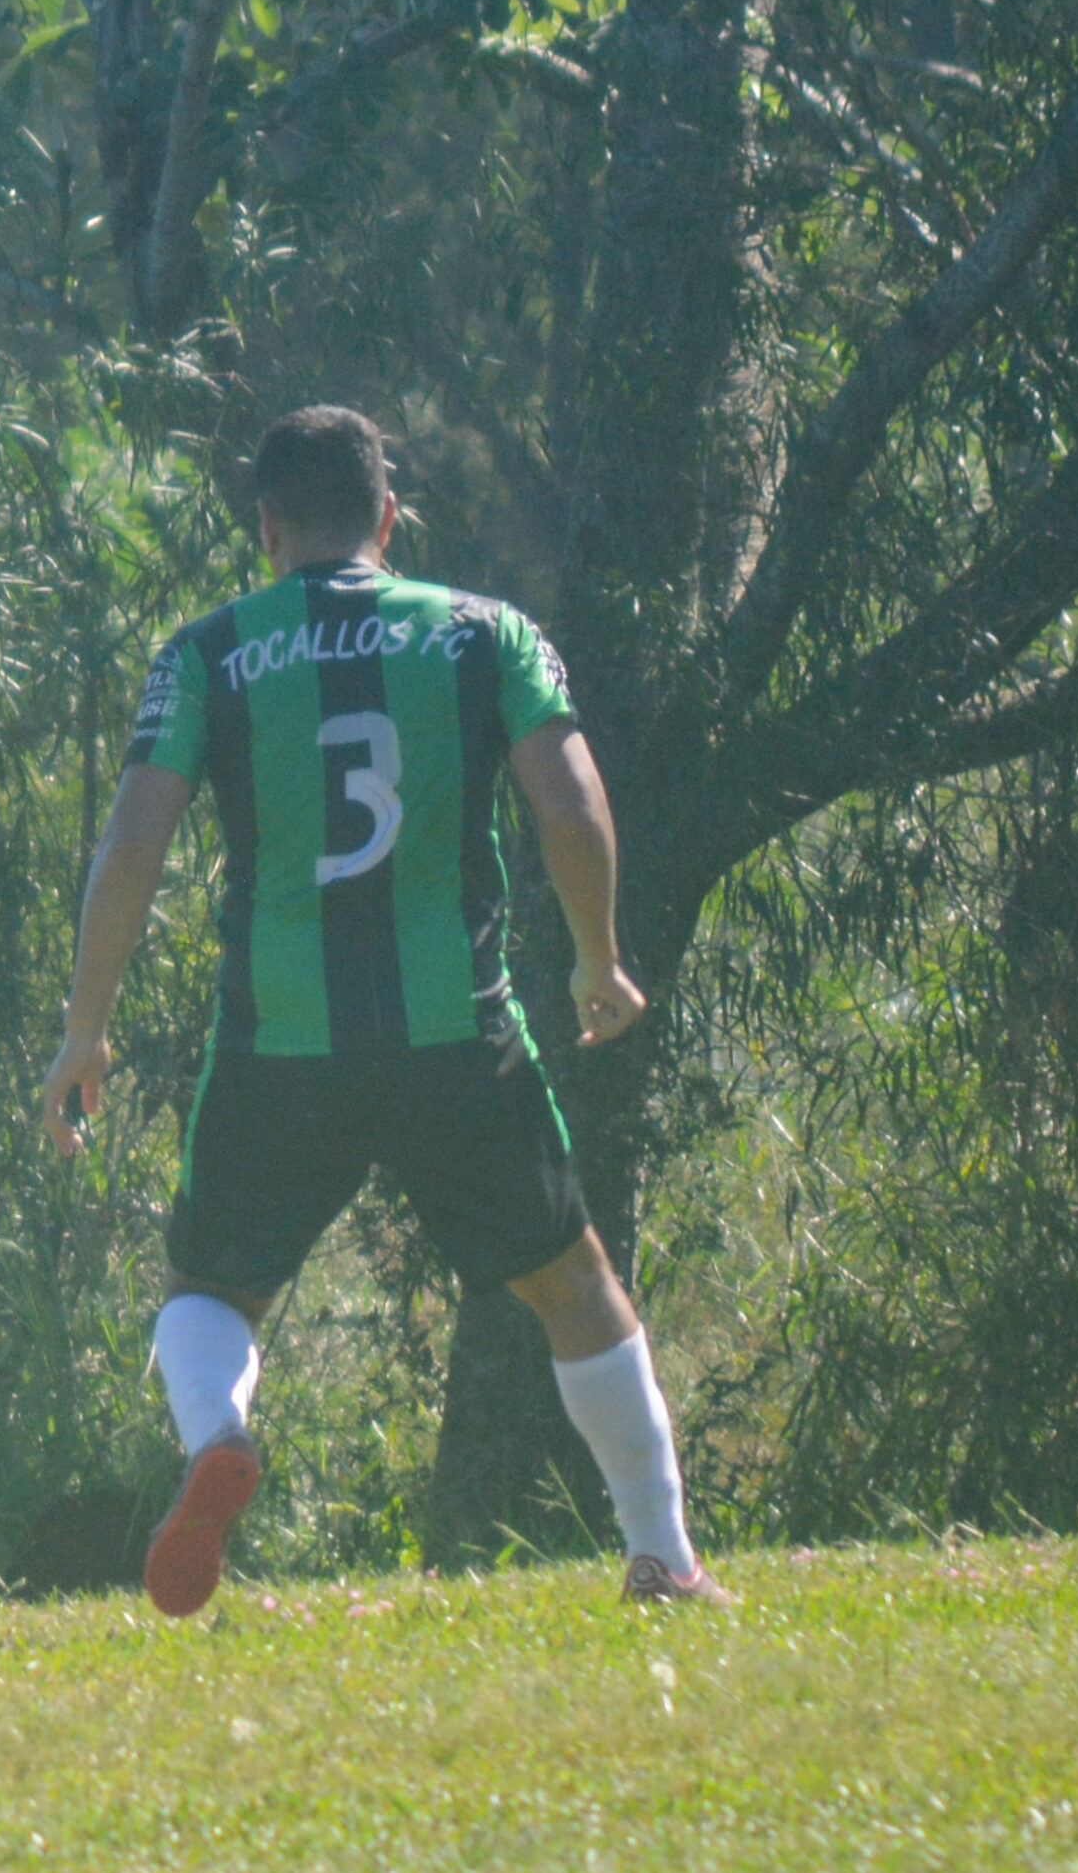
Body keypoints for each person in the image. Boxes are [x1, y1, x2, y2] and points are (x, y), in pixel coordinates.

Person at [40, 407, 730, 1617]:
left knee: (209, 1291)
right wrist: (597, 957)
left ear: (267, 528)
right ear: (388, 518)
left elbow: (134, 840)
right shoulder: (483, 632)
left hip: (277, 1042)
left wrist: (85, 1026)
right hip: (453, 1033)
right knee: (572, 1283)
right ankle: (661, 1557)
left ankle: (218, 1434)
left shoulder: (206, 652)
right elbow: (570, 803)